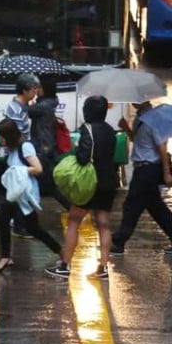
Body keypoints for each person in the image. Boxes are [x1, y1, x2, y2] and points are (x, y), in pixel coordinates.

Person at [46, 96, 117, 280]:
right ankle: (103, 268)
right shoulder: (110, 130)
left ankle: (64, 265)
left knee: (74, 221)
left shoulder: (88, 129)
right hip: (109, 181)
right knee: (103, 224)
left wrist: (77, 149)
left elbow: (84, 157)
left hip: (90, 182)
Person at [110, 99, 172, 256]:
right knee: (155, 207)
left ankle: (120, 241)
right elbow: (138, 140)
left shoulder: (153, 119)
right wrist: (126, 128)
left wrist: (167, 173)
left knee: (132, 206)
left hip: (148, 169)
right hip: (142, 168)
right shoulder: (140, 117)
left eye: (136, 100)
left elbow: (161, 146)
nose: (133, 103)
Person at [0, 119, 62, 272]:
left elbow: (38, 168)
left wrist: (20, 170)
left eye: (2, 136)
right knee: (4, 217)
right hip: (15, 195)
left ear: (9, 136)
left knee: (34, 228)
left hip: (27, 195)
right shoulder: (11, 150)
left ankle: (62, 253)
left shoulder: (26, 147)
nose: (0, 139)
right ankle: (5, 257)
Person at [27, 79, 70, 210]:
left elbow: (27, 111)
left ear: (45, 89)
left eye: (38, 87)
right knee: (39, 183)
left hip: (43, 148)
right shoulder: (49, 102)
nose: (36, 90)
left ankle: (72, 207)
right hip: (46, 146)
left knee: (48, 184)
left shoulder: (44, 105)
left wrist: (26, 100)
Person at [5, 73, 40, 143]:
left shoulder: (24, 105)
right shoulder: (16, 109)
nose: (36, 91)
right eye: (34, 89)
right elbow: (17, 137)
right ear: (25, 91)